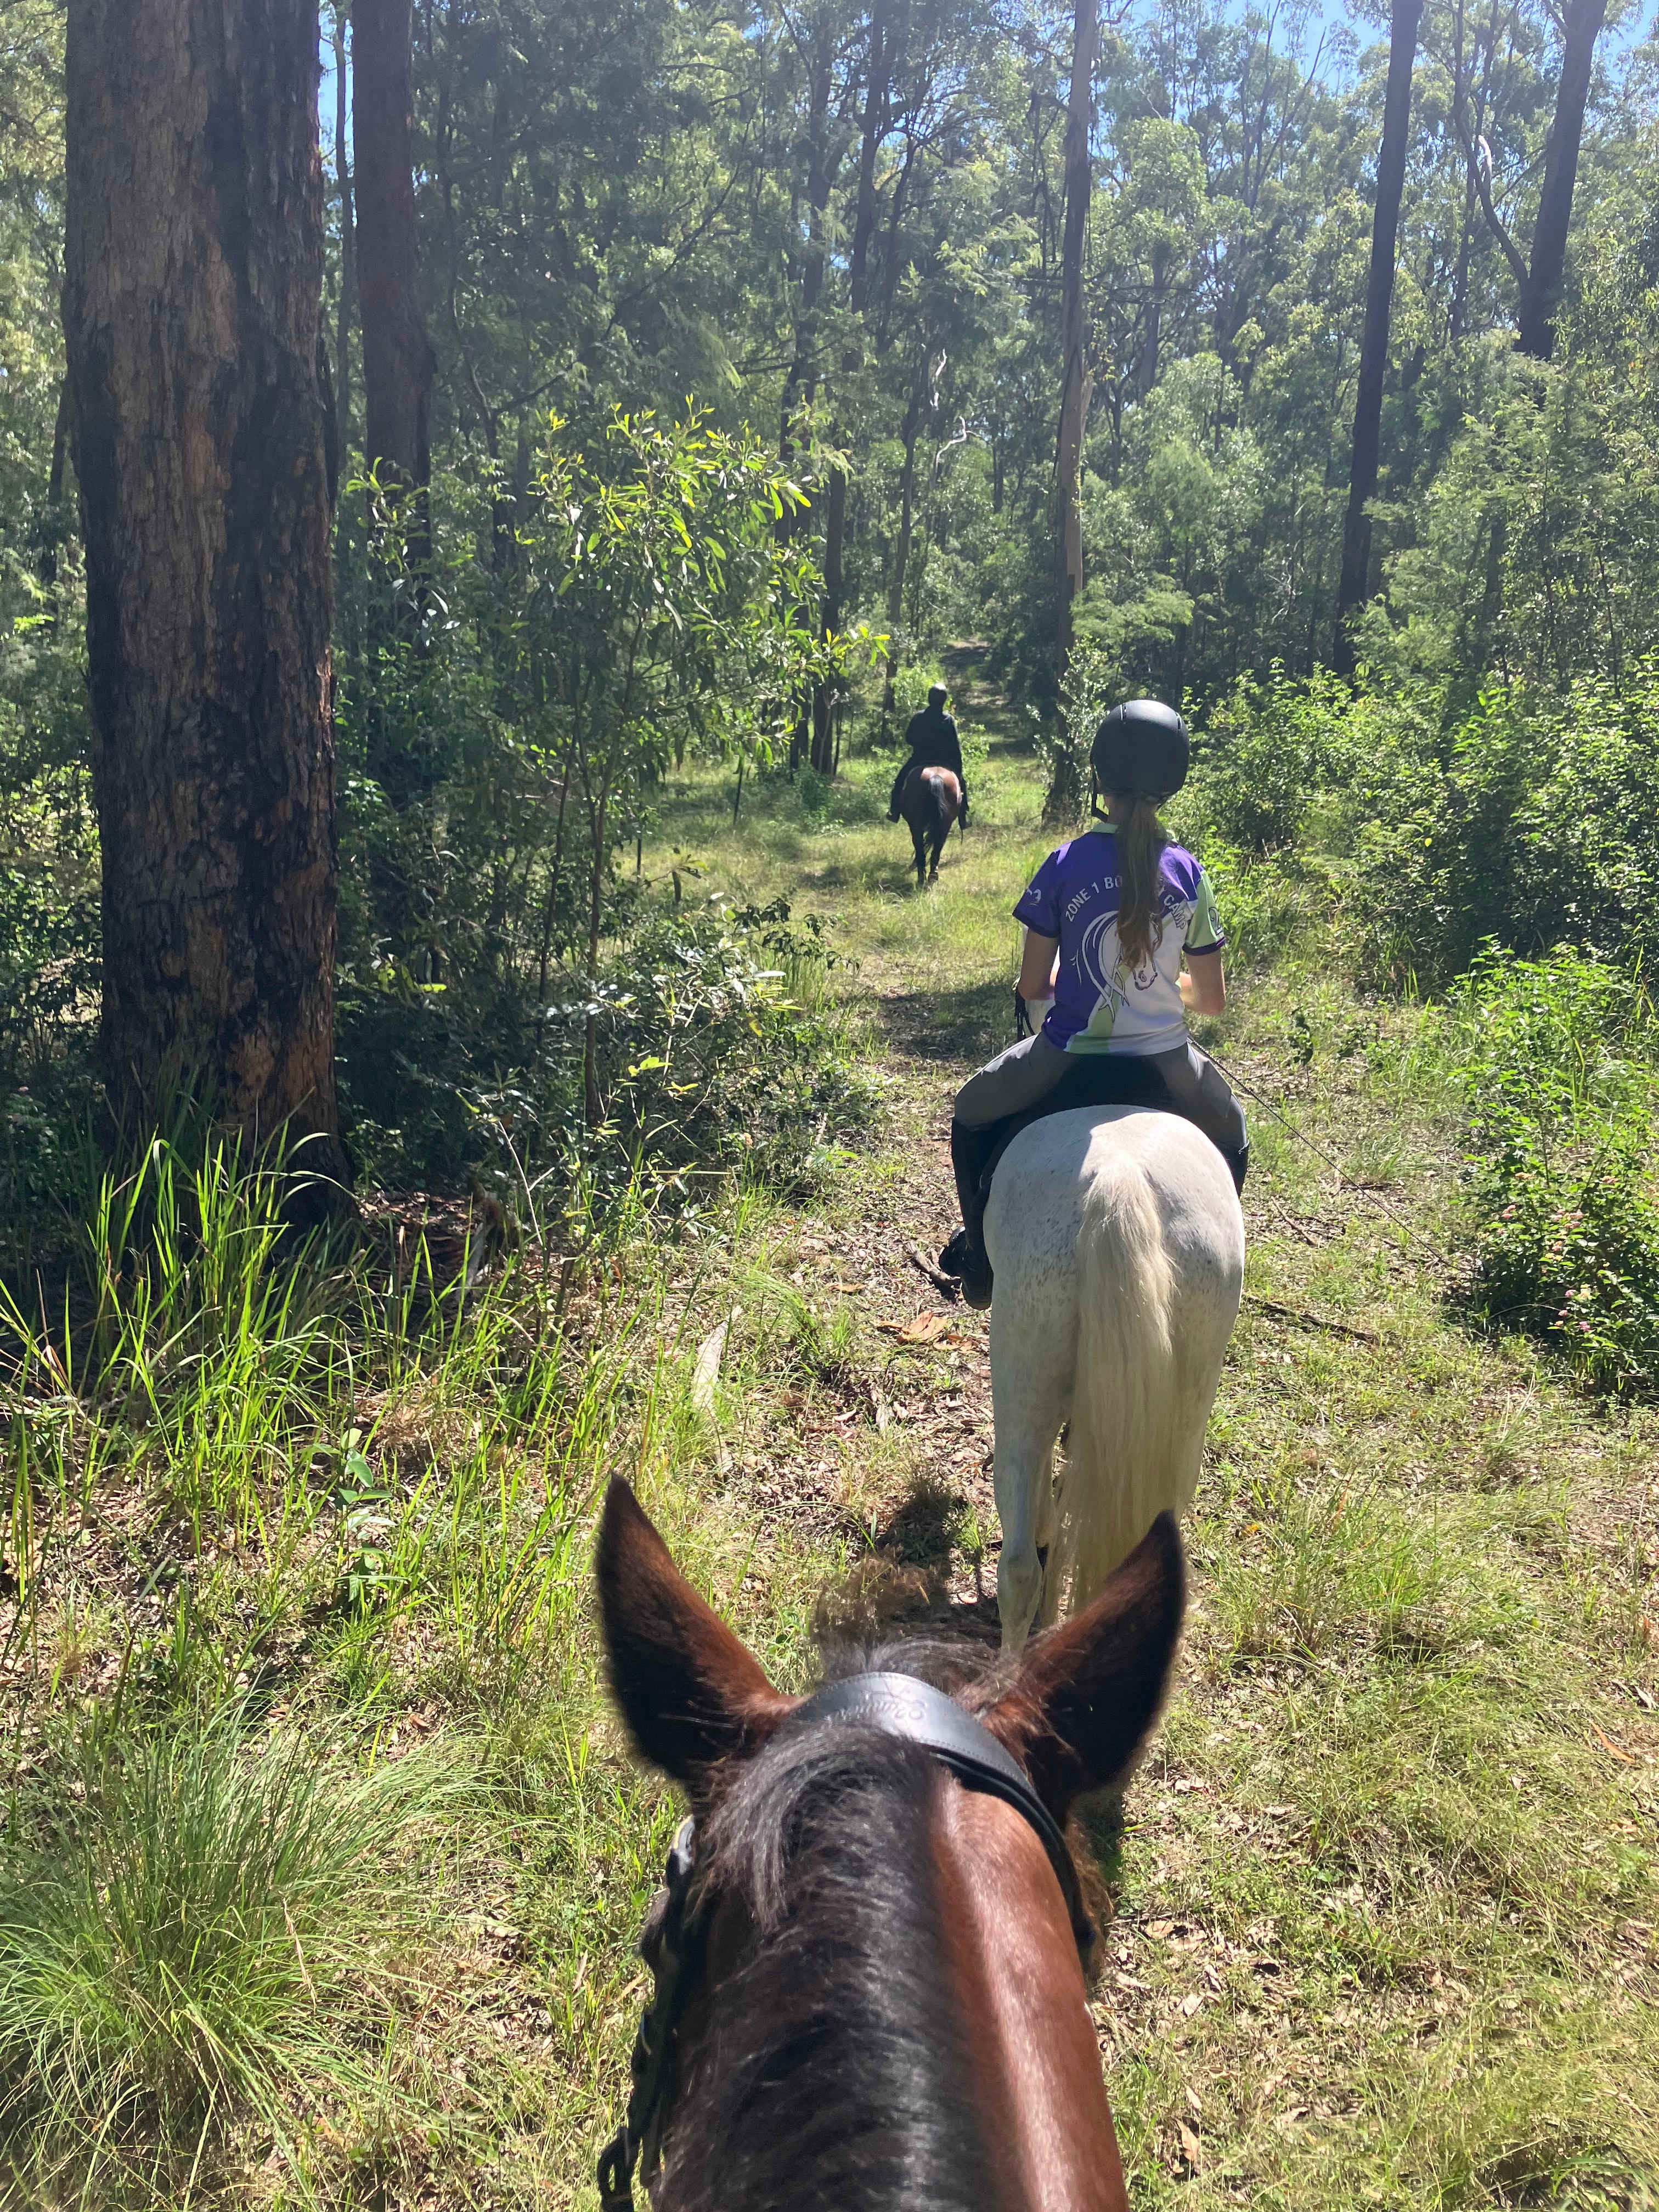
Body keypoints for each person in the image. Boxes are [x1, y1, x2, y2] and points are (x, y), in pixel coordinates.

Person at [939, 698, 1246, 1310]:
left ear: (1099, 777)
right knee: (1233, 1135)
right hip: (1167, 1065)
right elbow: (1209, 1001)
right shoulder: (1189, 871)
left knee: (970, 1112)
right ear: (1172, 781)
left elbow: (1032, 987)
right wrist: (1166, 987)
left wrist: (1070, 977)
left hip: (1063, 1058)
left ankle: (980, 1262)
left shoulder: (1064, 863)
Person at [888, 682, 969, 826]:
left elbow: (909, 738)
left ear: (929, 698)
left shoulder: (919, 717)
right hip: (945, 761)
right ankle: (963, 817)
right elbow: (955, 746)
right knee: (962, 785)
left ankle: (894, 811)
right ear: (944, 700)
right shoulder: (949, 720)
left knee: (900, 781)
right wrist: (958, 768)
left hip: (920, 760)